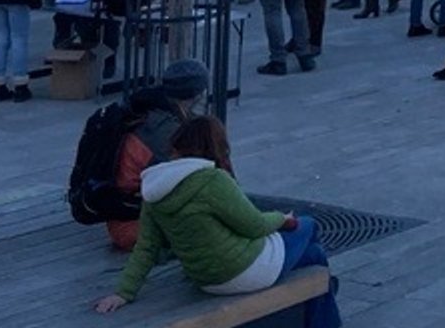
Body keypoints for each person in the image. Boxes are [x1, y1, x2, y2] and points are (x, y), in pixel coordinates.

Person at [93, 115, 342, 327]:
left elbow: (146, 248)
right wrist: (282, 219)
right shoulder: (212, 180)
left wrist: (123, 293)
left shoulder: (155, 188)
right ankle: (327, 309)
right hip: (245, 270)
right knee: (309, 225)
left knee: (314, 255)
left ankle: (325, 300)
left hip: (207, 281)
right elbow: (254, 225)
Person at [108, 58, 211, 250]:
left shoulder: (151, 112)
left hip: (128, 215)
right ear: (195, 95)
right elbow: (191, 185)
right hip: (135, 225)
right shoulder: (165, 132)